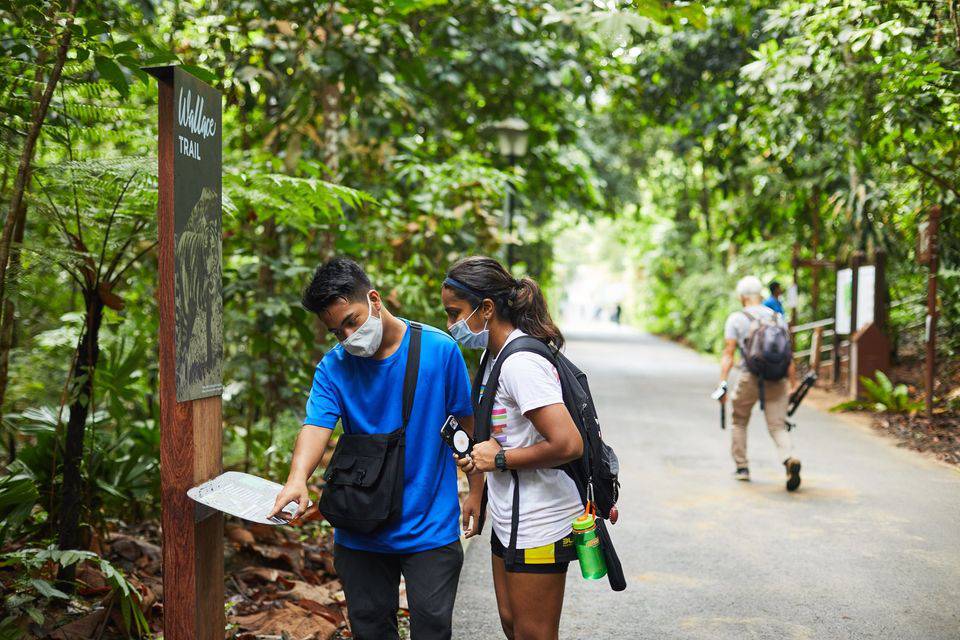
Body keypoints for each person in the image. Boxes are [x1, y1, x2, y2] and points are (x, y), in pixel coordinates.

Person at [268, 257, 483, 640]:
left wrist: (476, 491)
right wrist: (297, 479)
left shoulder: (439, 350)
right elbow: (316, 425)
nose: (348, 336)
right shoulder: (334, 367)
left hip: (429, 525)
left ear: (374, 299)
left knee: (433, 628)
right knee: (370, 630)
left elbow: (465, 427)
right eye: (336, 332)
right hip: (360, 526)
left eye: (351, 321)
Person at [440, 256, 584, 640]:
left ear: (486, 308)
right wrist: (477, 494)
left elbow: (569, 444)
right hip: (510, 515)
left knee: (534, 633)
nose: (451, 326)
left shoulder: (521, 362)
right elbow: (495, 436)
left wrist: (500, 459)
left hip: (541, 520)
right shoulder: (493, 356)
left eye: (455, 314)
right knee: (511, 622)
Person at [719, 275, 802, 491]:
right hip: (777, 377)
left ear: (742, 297)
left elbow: (728, 354)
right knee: (777, 425)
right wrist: (792, 384)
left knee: (739, 420)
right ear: (760, 295)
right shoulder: (777, 317)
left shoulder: (737, 318)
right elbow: (788, 355)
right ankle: (790, 457)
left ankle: (742, 468)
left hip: (750, 377)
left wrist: (723, 383)